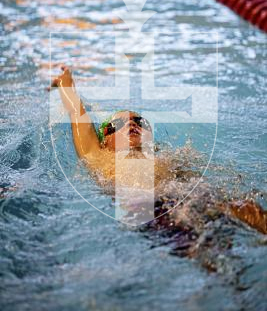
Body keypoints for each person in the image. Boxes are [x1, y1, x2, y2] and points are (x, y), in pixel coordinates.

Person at [47, 65, 267, 235]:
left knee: (247, 207)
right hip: (151, 209)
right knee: (207, 247)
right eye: (119, 124)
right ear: (104, 140)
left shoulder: (169, 158)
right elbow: (77, 113)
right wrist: (66, 83)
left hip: (192, 197)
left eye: (139, 121)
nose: (132, 124)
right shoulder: (98, 156)